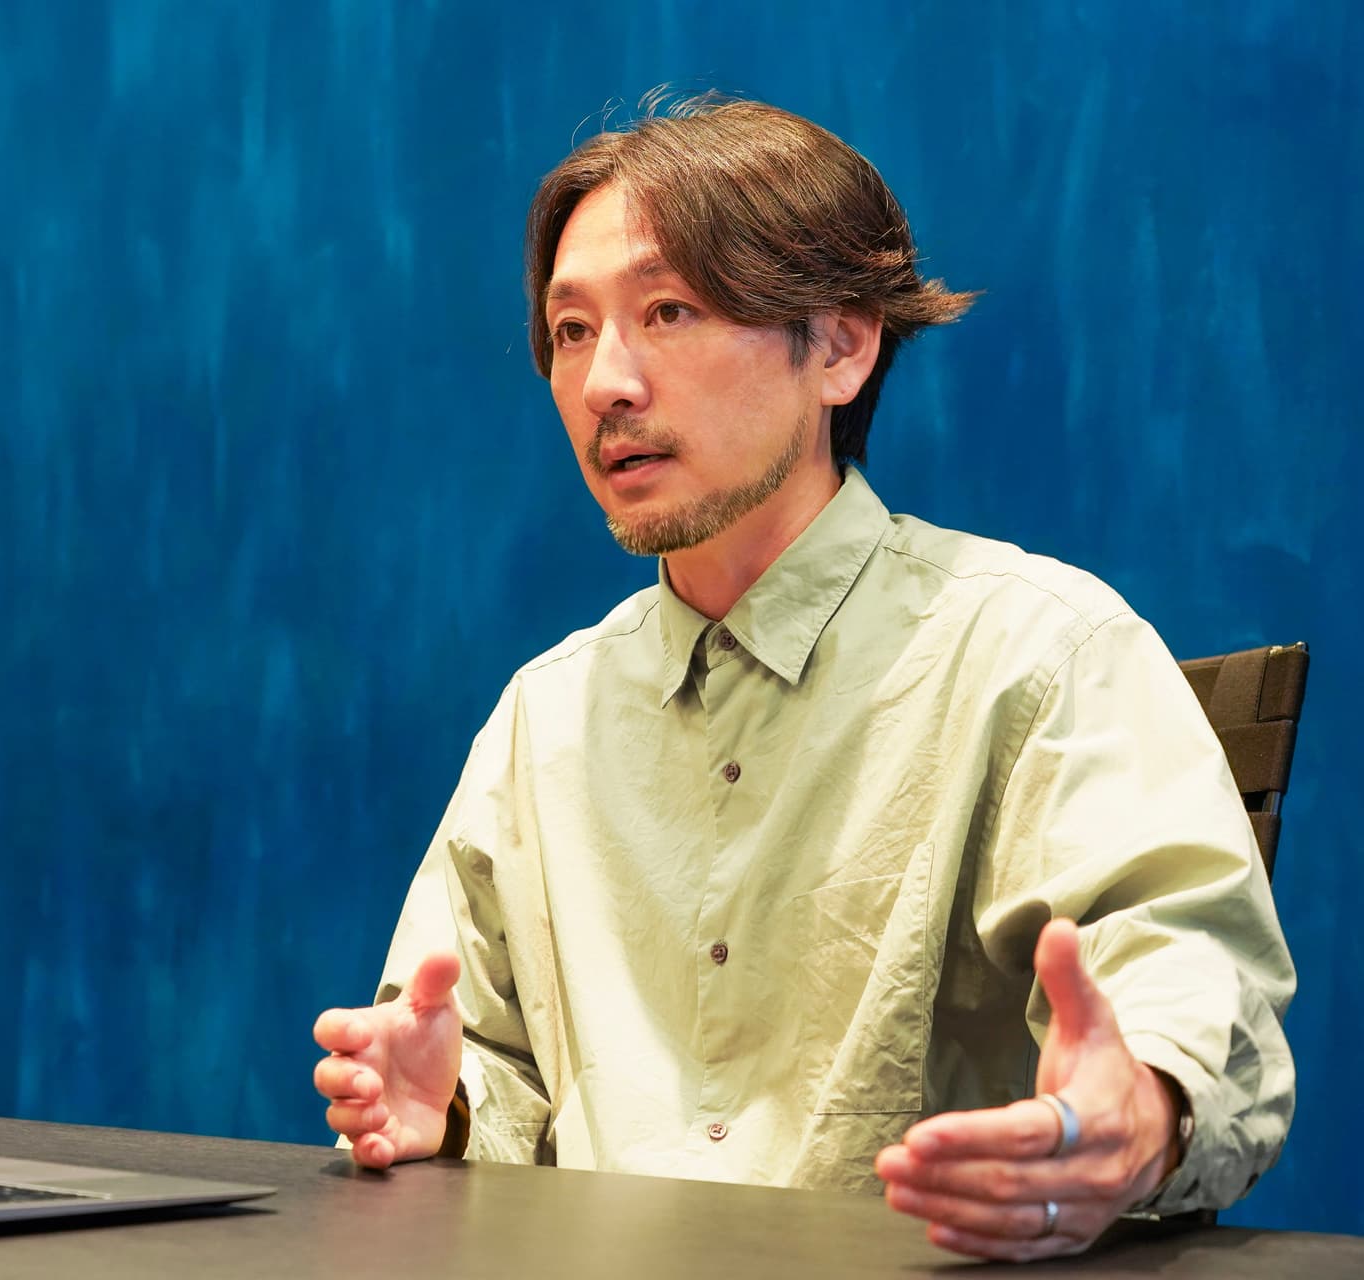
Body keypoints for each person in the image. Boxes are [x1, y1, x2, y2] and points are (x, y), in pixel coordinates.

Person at [312, 93, 1295, 1263]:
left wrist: (1137, 1108)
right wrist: (451, 1102)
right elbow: (472, 1049)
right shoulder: (547, 712)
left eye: (667, 310)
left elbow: (1183, 975)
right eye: (572, 331)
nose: (604, 385)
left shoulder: (1040, 649)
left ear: (841, 343)